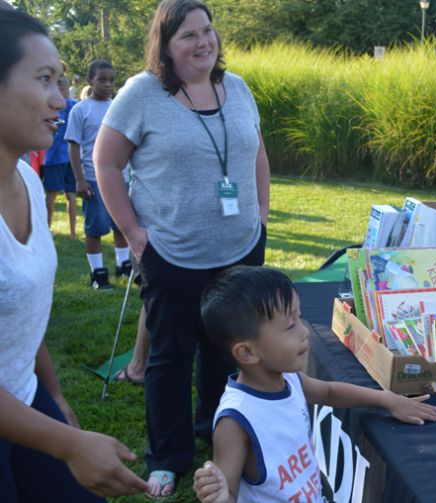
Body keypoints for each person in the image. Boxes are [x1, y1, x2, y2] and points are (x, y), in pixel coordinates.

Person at [94, 0, 271, 496]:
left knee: (227, 351)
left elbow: (256, 150)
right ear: (166, 46)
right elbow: (105, 164)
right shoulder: (142, 94)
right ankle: (168, 456)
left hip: (239, 249)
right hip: (171, 253)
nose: (203, 42)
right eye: (188, 35)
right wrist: (134, 233)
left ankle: (216, 435)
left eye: (208, 30)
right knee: (171, 356)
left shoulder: (236, 88)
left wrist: (261, 215)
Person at [0, 8, 148, 500]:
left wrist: (52, 394)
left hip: (24, 400)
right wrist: (67, 443)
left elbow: (19, 313)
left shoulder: (23, 176)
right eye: (45, 79)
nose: (62, 99)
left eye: (61, 80)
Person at [192, 266, 436, 503]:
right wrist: (220, 496)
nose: (304, 332)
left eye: (299, 318)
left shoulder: (287, 378)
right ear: (247, 353)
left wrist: (387, 399)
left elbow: (330, 392)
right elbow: (228, 491)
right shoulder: (235, 421)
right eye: (290, 326)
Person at [65, 60, 131, 290]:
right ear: (90, 81)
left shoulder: (118, 107)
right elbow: (74, 146)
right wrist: (80, 179)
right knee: (95, 227)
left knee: (122, 225)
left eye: (111, 80)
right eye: (102, 80)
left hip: (120, 177)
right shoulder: (80, 110)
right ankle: (97, 273)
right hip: (93, 178)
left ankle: (124, 265)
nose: (107, 84)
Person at [43, 73, 78, 238]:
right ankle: (57, 231)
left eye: (62, 85)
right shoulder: (72, 106)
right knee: (59, 193)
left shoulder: (68, 106)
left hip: (59, 157)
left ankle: (66, 231)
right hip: (63, 156)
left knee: (61, 193)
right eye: (59, 85)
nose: (61, 88)